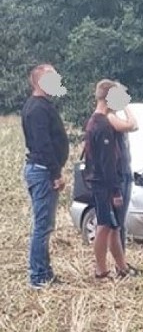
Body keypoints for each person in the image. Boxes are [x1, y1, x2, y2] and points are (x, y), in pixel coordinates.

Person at [21, 63, 70, 288]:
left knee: (46, 225)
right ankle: (38, 276)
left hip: (42, 170)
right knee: (42, 226)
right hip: (42, 172)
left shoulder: (39, 106)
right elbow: (43, 145)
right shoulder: (38, 109)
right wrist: (56, 173)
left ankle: (45, 272)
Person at [84, 79, 135, 279]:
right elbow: (107, 162)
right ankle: (101, 270)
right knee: (104, 226)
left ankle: (122, 268)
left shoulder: (94, 120)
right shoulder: (103, 125)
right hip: (103, 185)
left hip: (100, 182)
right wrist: (115, 191)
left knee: (113, 227)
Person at [104, 82, 139, 252]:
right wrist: (125, 107)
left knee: (121, 222)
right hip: (119, 175)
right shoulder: (110, 118)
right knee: (117, 223)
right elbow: (131, 124)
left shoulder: (115, 117)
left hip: (126, 172)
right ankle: (119, 260)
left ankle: (121, 259)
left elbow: (135, 125)